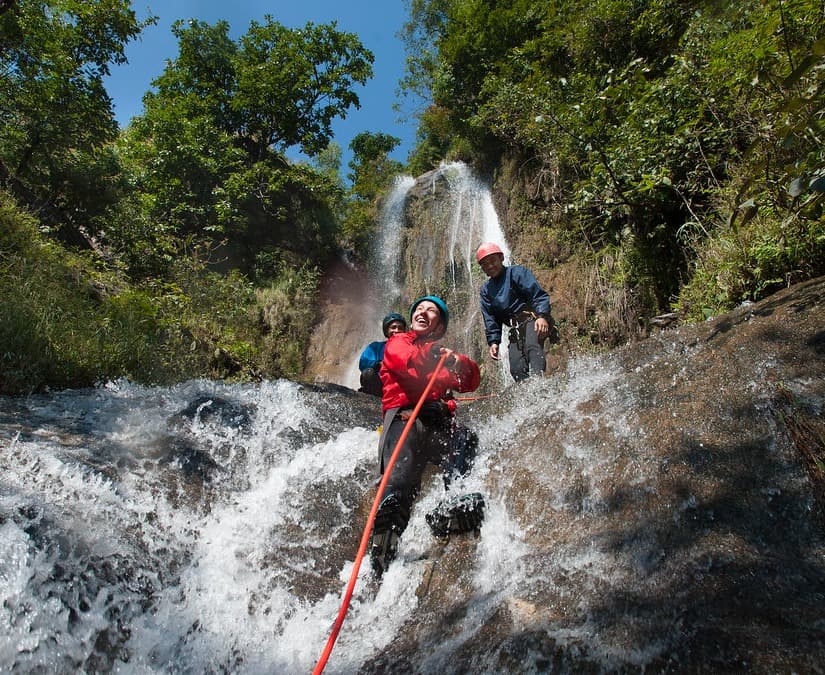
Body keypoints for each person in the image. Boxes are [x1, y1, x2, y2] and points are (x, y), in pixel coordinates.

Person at [369, 295, 482, 575]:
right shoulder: (399, 341)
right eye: (419, 309)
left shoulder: (441, 354)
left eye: (431, 311)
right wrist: (431, 356)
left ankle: (452, 501)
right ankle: (387, 530)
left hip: (436, 421)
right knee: (402, 471)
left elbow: (469, 381)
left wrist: (458, 361)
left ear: (439, 325)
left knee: (464, 439)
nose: (423, 312)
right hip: (404, 416)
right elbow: (403, 360)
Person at [476, 242, 554, 382]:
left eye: (492, 260)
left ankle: (541, 386)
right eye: (485, 264)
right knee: (516, 367)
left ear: (501, 258)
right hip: (514, 328)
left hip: (531, 320)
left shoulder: (517, 273)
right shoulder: (486, 290)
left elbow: (538, 295)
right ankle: (526, 396)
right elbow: (490, 318)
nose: (490, 266)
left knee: (533, 348)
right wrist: (494, 342)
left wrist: (542, 316)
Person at [358, 312, 407, 396]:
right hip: (379, 385)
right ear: (386, 330)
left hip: (401, 387)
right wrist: (378, 364)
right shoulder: (376, 347)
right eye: (393, 327)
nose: (397, 330)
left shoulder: (409, 348)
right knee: (368, 373)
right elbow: (363, 364)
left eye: (400, 328)